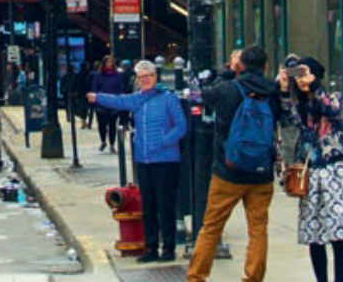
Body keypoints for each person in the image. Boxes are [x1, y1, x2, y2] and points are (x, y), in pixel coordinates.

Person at [186, 44, 285, 282]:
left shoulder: (227, 89)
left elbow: (195, 95)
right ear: (266, 66)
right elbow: (285, 117)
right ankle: (253, 278)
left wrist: (226, 74)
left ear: (240, 65)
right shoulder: (273, 92)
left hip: (227, 170)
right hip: (261, 173)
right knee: (258, 229)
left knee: (211, 228)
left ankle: (197, 277)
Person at [88, 59, 187, 263]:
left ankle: (168, 248)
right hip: (144, 160)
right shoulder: (137, 99)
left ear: (155, 77)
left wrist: (164, 141)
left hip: (166, 161)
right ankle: (150, 248)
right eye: (141, 77)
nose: (145, 80)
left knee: (165, 205)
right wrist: (96, 97)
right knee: (148, 206)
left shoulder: (168, 98)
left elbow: (181, 126)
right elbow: (118, 101)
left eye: (148, 76)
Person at [279, 56, 343, 282]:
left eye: (306, 74)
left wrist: (313, 85)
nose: (302, 80)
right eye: (299, 76)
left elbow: (332, 110)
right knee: (315, 234)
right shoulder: (299, 104)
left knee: (339, 233)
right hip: (311, 172)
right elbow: (288, 120)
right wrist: (285, 90)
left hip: (336, 171)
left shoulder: (333, 97)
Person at [91, 54, 125, 151]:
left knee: (112, 124)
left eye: (111, 62)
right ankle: (103, 141)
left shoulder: (118, 75)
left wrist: (118, 98)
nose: (110, 64)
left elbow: (121, 87)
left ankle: (112, 144)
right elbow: (94, 87)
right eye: (108, 62)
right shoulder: (98, 75)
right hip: (101, 103)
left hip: (113, 103)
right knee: (101, 124)